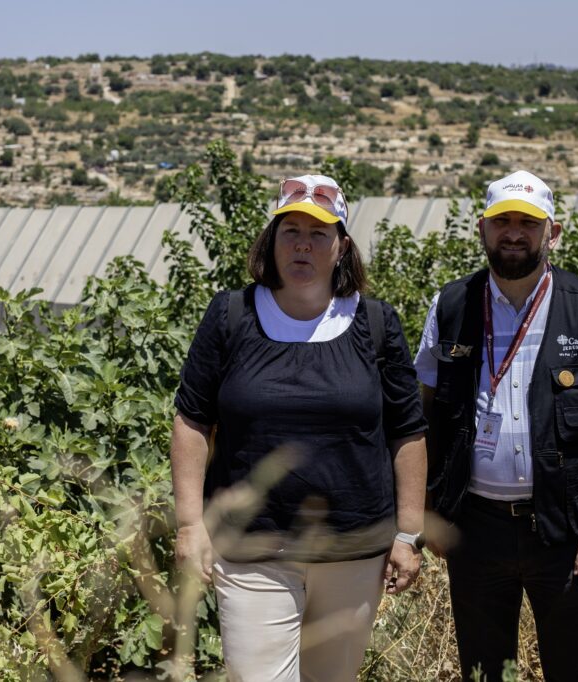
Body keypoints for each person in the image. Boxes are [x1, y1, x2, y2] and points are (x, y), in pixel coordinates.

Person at [171, 174, 428, 681]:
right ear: (271, 242)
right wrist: (189, 524)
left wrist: (408, 533)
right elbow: (191, 422)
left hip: (352, 553)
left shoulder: (376, 324)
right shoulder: (230, 316)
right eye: (290, 231)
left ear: (342, 247)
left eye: (319, 234)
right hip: (252, 551)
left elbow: (408, 432)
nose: (303, 245)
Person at [414, 170, 578, 681]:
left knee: (572, 673)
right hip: (474, 530)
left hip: (564, 534)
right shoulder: (450, 307)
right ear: (482, 229)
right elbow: (422, 414)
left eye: (528, 223)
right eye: (502, 222)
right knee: (483, 672)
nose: (513, 233)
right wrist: (420, 516)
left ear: (553, 233)